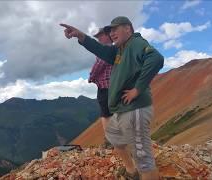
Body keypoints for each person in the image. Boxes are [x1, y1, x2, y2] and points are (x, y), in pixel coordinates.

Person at [60, 16, 164, 180]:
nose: (112, 33)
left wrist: (137, 89)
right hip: (122, 109)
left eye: (115, 29)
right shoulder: (120, 50)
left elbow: (156, 59)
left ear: (128, 28)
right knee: (113, 134)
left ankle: (143, 172)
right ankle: (132, 170)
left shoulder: (136, 43)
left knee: (143, 158)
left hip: (135, 109)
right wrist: (80, 35)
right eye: (110, 31)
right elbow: (99, 49)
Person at [89, 28, 113, 132]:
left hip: (105, 87)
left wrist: (91, 78)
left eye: (100, 36)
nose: (98, 39)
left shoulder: (105, 50)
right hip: (114, 86)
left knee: (105, 114)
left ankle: (112, 140)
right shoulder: (116, 49)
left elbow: (98, 66)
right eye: (97, 37)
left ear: (108, 35)